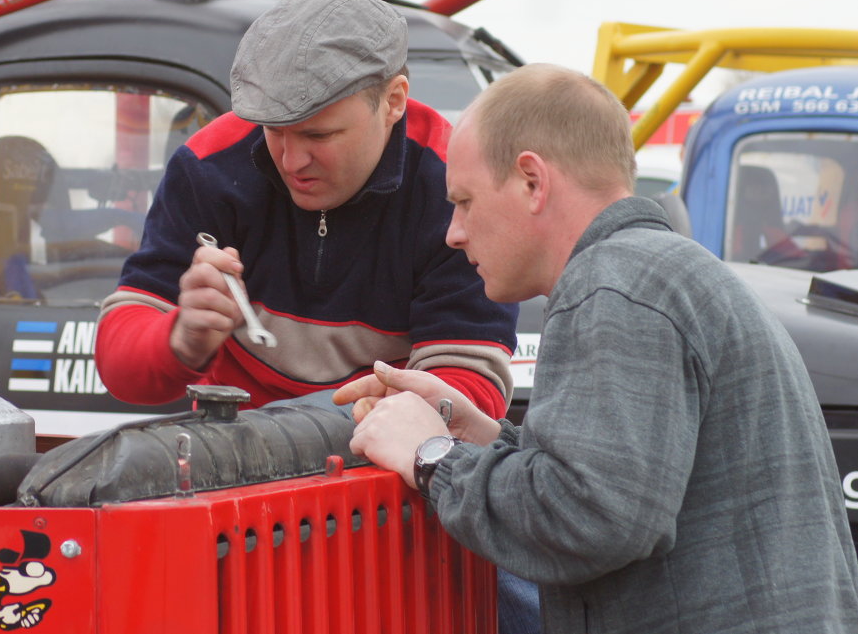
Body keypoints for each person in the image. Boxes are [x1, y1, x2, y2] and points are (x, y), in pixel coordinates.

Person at [342, 63, 858, 633]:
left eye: (464, 201)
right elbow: (632, 485)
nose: (453, 232)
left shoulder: (612, 286)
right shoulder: (663, 274)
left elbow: (594, 518)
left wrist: (433, 456)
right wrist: (483, 436)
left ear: (532, 182)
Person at [94, 0, 517, 418]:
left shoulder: (453, 191)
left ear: (393, 101)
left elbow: (471, 392)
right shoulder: (208, 167)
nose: (291, 161)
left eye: (319, 134)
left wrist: (375, 416)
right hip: (228, 453)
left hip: (385, 464)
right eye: (273, 129)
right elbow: (119, 368)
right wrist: (181, 337)